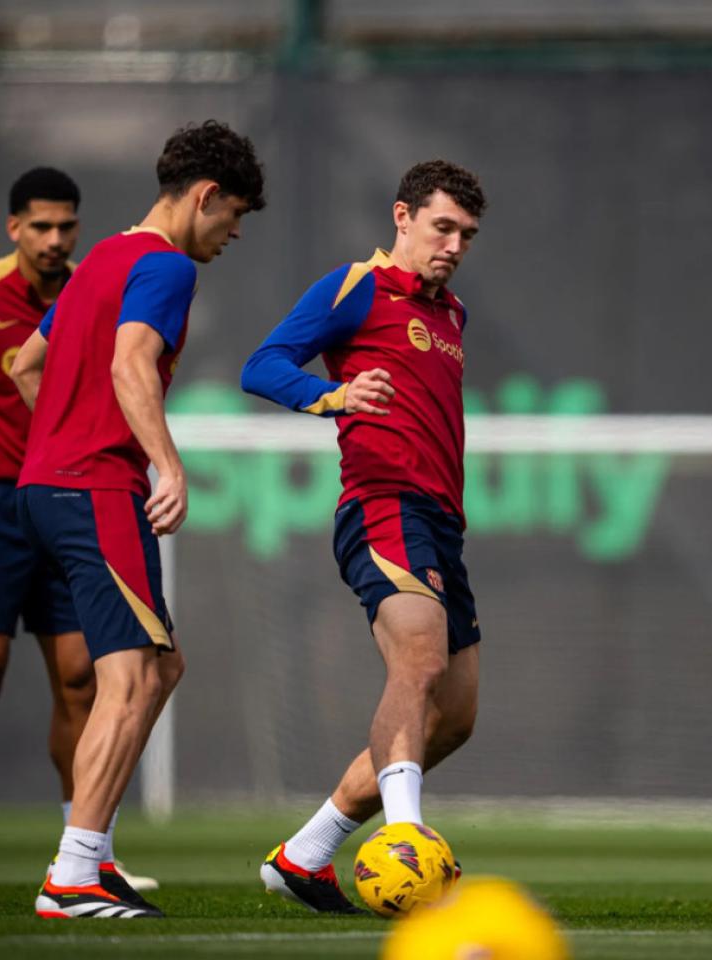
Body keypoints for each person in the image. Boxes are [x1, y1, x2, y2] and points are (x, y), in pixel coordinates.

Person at [12, 120, 265, 919]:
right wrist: (166, 462)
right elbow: (129, 362)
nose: (232, 235)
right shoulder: (163, 266)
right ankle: (73, 874)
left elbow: (27, 365)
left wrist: (59, 438)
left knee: (161, 666)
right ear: (206, 196)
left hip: (47, 487)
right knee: (134, 677)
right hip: (93, 488)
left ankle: (92, 855)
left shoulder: (99, 264)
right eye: (235, 218)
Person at [241, 160, 486, 914]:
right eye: (441, 226)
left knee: (454, 717)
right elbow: (262, 365)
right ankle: (408, 843)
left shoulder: (452, 316)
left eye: (467, 235)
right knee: (417, 659)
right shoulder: (356, 287)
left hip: (442, 523)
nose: (453, 245)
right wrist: (334, 395)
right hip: (382, 505)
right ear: (402, 217)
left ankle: (305, 854)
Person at [0, 168, 155, 894]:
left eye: (66, 226)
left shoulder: (90, 291)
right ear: (13, 227)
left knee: (83, 679)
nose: (55, 240)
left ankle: (87, 848)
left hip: (70, 496)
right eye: (40, 226)